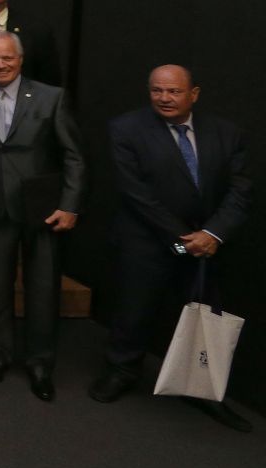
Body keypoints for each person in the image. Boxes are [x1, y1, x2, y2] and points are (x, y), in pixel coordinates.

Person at [89, 66, 252, 431]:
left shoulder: (227, 133)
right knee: (135, 305)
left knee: (200, 308)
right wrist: (184, 239)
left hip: (207, 244)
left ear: (193, 94)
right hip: (154, 241)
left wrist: (212, 233)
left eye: (174, 92)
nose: (164, 98)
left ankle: (198, 388)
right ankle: (121, 370)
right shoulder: (126, 129)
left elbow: (240, 189)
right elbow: (136, 194)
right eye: (157, 91)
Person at [0, 28, 83, 401]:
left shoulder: (52, 97)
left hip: (43, 208)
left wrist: (69, 204)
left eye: (7, 58)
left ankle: (39, 363)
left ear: (20, 59)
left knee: (43, 288)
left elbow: (73, 155)